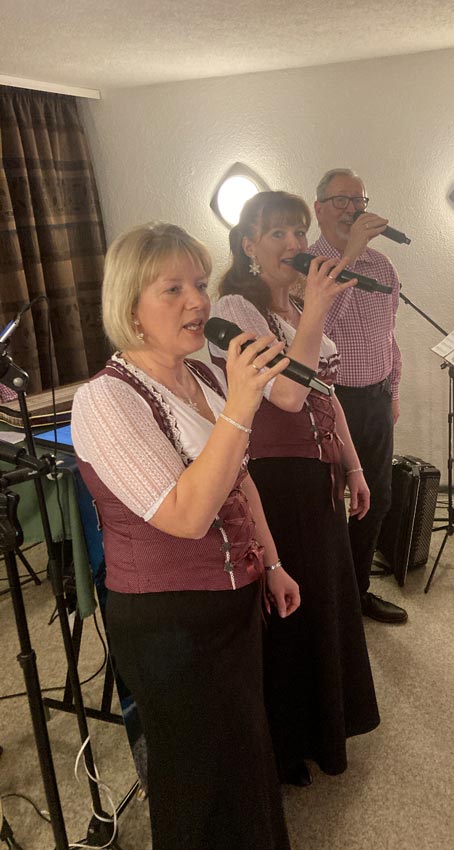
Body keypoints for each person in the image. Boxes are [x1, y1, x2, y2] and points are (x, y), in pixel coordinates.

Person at [71, 222, 299, 850]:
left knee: (245, 752)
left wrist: (272, 563)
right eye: (172, 289)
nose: (198, 301)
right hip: (168, 623)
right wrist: (241, 407)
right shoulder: (104, 401)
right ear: (131, 307)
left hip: (235, 601)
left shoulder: (204, 378)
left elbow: (241, 483)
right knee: (196, 776)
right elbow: (185, 515)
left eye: (199, 284)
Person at [209, 191, 380, 788]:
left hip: (318, 473)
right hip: (274, 477)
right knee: (291, 608)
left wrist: (354, 466)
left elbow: (327, 395)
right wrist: (315, 314)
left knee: (326, 599)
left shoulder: (299, 305)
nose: (293, 244)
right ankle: (287, 744)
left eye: (298, 232)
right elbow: (286, 394)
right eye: (277, 233)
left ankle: (327, 727)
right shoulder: (235, 308)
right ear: (248, 246)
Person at [308, 168, 407, 625]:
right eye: (341, 201)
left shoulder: (383, 266)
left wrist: (393, 391)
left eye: (359, 201)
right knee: (331, 506)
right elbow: (316, 333)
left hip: (376, 398)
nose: (352, 209)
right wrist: (348, 257)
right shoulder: (307, 265)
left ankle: (357, 590)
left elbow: (389, 335)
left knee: (377, 499)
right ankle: (330, 599)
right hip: (330, 402)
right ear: (319, 209)